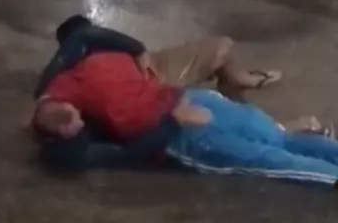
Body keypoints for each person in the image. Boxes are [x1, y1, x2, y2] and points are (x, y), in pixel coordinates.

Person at [33, 45, 338, 187]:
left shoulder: (75, 70)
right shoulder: (71, 136)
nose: (74, 122)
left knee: (274, 136)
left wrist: (138, 51)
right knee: (273, 157)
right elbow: (127, 155)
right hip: (182, 134)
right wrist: (173, 121)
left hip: (188, 98)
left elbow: (85, 33)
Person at [35, 15, 282, 105]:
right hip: (149, 79)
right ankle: (236, 81)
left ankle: (235, 80)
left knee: (220, 46)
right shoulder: (84, 56)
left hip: (148, 68)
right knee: (221, 47)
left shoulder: (85, 61)